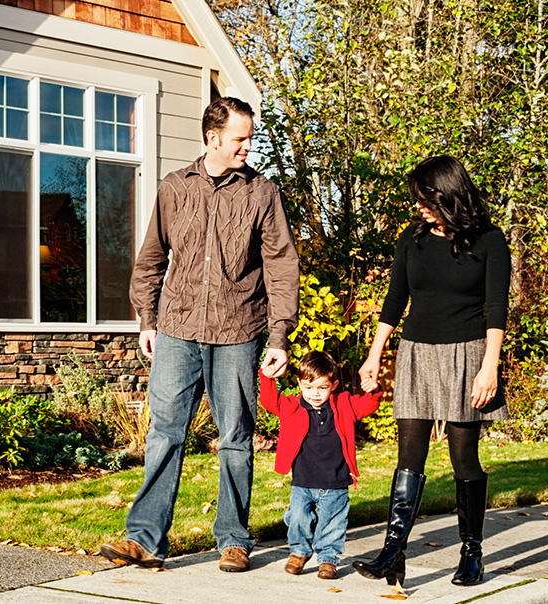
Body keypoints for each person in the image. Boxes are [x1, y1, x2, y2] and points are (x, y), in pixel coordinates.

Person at [98, 97, 300, 573]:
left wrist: (278, 336)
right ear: (213, 138)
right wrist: (146, 320)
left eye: (250, 138)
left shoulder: (262, 194)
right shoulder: (173, 188)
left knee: (235, 436)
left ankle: (234, 539)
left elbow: (281, 267)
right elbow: (151, 258)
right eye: (240, 138)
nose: (248, 147)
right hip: (177, 328)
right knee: (165, 433)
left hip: (239, 330)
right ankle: (145, 540)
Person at [351, 155, 510, 588]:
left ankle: (472, 553)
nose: (418, 206)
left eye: (424, 198)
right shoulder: (412, 238)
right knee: (409, 457)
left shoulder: (490, 241)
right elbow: (394, 299)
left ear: (447, 195)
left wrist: (489, 367)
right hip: (417, 353)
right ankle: (393, 552)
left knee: (464, 459)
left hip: (468, 355)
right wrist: (375, 354)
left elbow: (497, 308)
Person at [258, 350, 382, 580]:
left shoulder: (344, 404)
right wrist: (267, 378)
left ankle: (327, 559)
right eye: (308, 387)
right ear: (299, 384)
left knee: (333, 523)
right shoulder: (292, 407)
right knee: (298, 518)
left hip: (336, 480)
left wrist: (373, 390)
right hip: (303, 480)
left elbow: (369, 405)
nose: (314, 394)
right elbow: (268, 400)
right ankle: (299, 552)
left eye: (322, 388)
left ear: (333, 385)